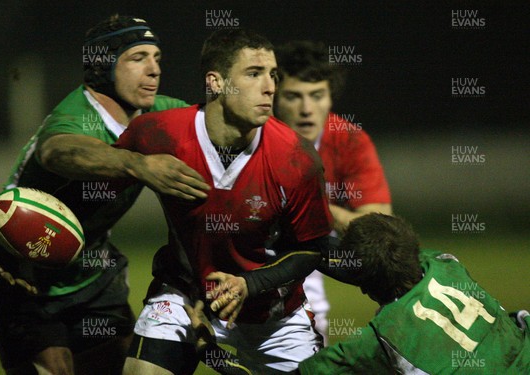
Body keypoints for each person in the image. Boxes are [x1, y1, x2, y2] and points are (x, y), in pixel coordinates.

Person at [0, 15, 209, 375]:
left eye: (157, 58)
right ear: (103, 65)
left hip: (93, 274)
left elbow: (214, 124)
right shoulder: (77, 116)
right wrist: (138, 164)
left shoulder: (159, 112)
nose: (153, 69)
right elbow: (58, 151)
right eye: (137, 57)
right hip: (19, 275)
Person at [115, 28, 334, 374]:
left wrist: (250, 284)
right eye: (254, 74)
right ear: (216, 83)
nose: (270, 87)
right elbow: (99, 175)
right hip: (186, 294)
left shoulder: (296, 159)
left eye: (273, 74)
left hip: (272, 317)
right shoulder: (158, 133)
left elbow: (312, 250)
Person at [186, 213, 530, 374]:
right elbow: (341, 259)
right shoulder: (444, 264)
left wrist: (208, 350)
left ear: (364, 285)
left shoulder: (378, 340)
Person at [274, 40, 392, 344]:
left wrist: (313, 204)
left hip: (307, 250)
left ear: (330, 98)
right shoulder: (254, 135)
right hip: (240, 252)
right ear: (273, 97)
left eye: (317, 96)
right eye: (292, 96)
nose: (306, 109)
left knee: (309, 336)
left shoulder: (350, 141)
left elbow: (377, 226)